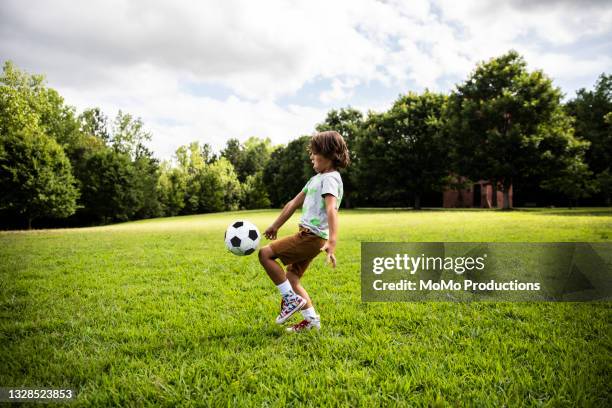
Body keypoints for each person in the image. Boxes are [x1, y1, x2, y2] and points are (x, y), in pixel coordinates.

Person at [258, 130, 350, 332]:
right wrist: (276, 225)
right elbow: (293, 203)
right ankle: (311, 322)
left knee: (265, 254)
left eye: (315, 152)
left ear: (328, 154)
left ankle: (290, 300)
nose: (311, 156)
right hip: (311, 236)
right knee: (292, 279)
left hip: (311, 236)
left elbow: (331, 208)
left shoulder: (330, 179)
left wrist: (333, 241)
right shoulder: (315, 179)